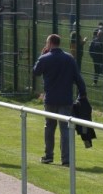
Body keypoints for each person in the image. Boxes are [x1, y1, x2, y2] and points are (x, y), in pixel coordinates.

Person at [33, 34, 88, 166]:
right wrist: (83, 93)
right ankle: (66, 159)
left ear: (50, 43)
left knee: (49, 127)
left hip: (50, 99)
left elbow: (36, 72)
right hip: (65, 99)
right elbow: (78, 77)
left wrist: (41, 56)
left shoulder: (45, 58)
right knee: (65, 129)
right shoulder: (69, 58)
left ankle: (48, 156)